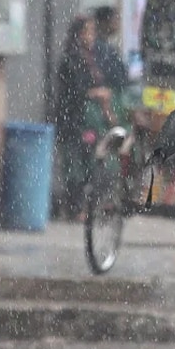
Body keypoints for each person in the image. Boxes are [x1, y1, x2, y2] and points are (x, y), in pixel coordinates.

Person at [51, 14, 116, 219]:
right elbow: (74, 90)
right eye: (88, 32)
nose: (91, 36)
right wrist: (96, 93)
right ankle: (75, 206)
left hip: (88, 121)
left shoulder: (92, 58)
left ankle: (88, 203)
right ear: (79, 35)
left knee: (92, 161)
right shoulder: (71, 60)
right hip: (74, 120)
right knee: (75, 165)